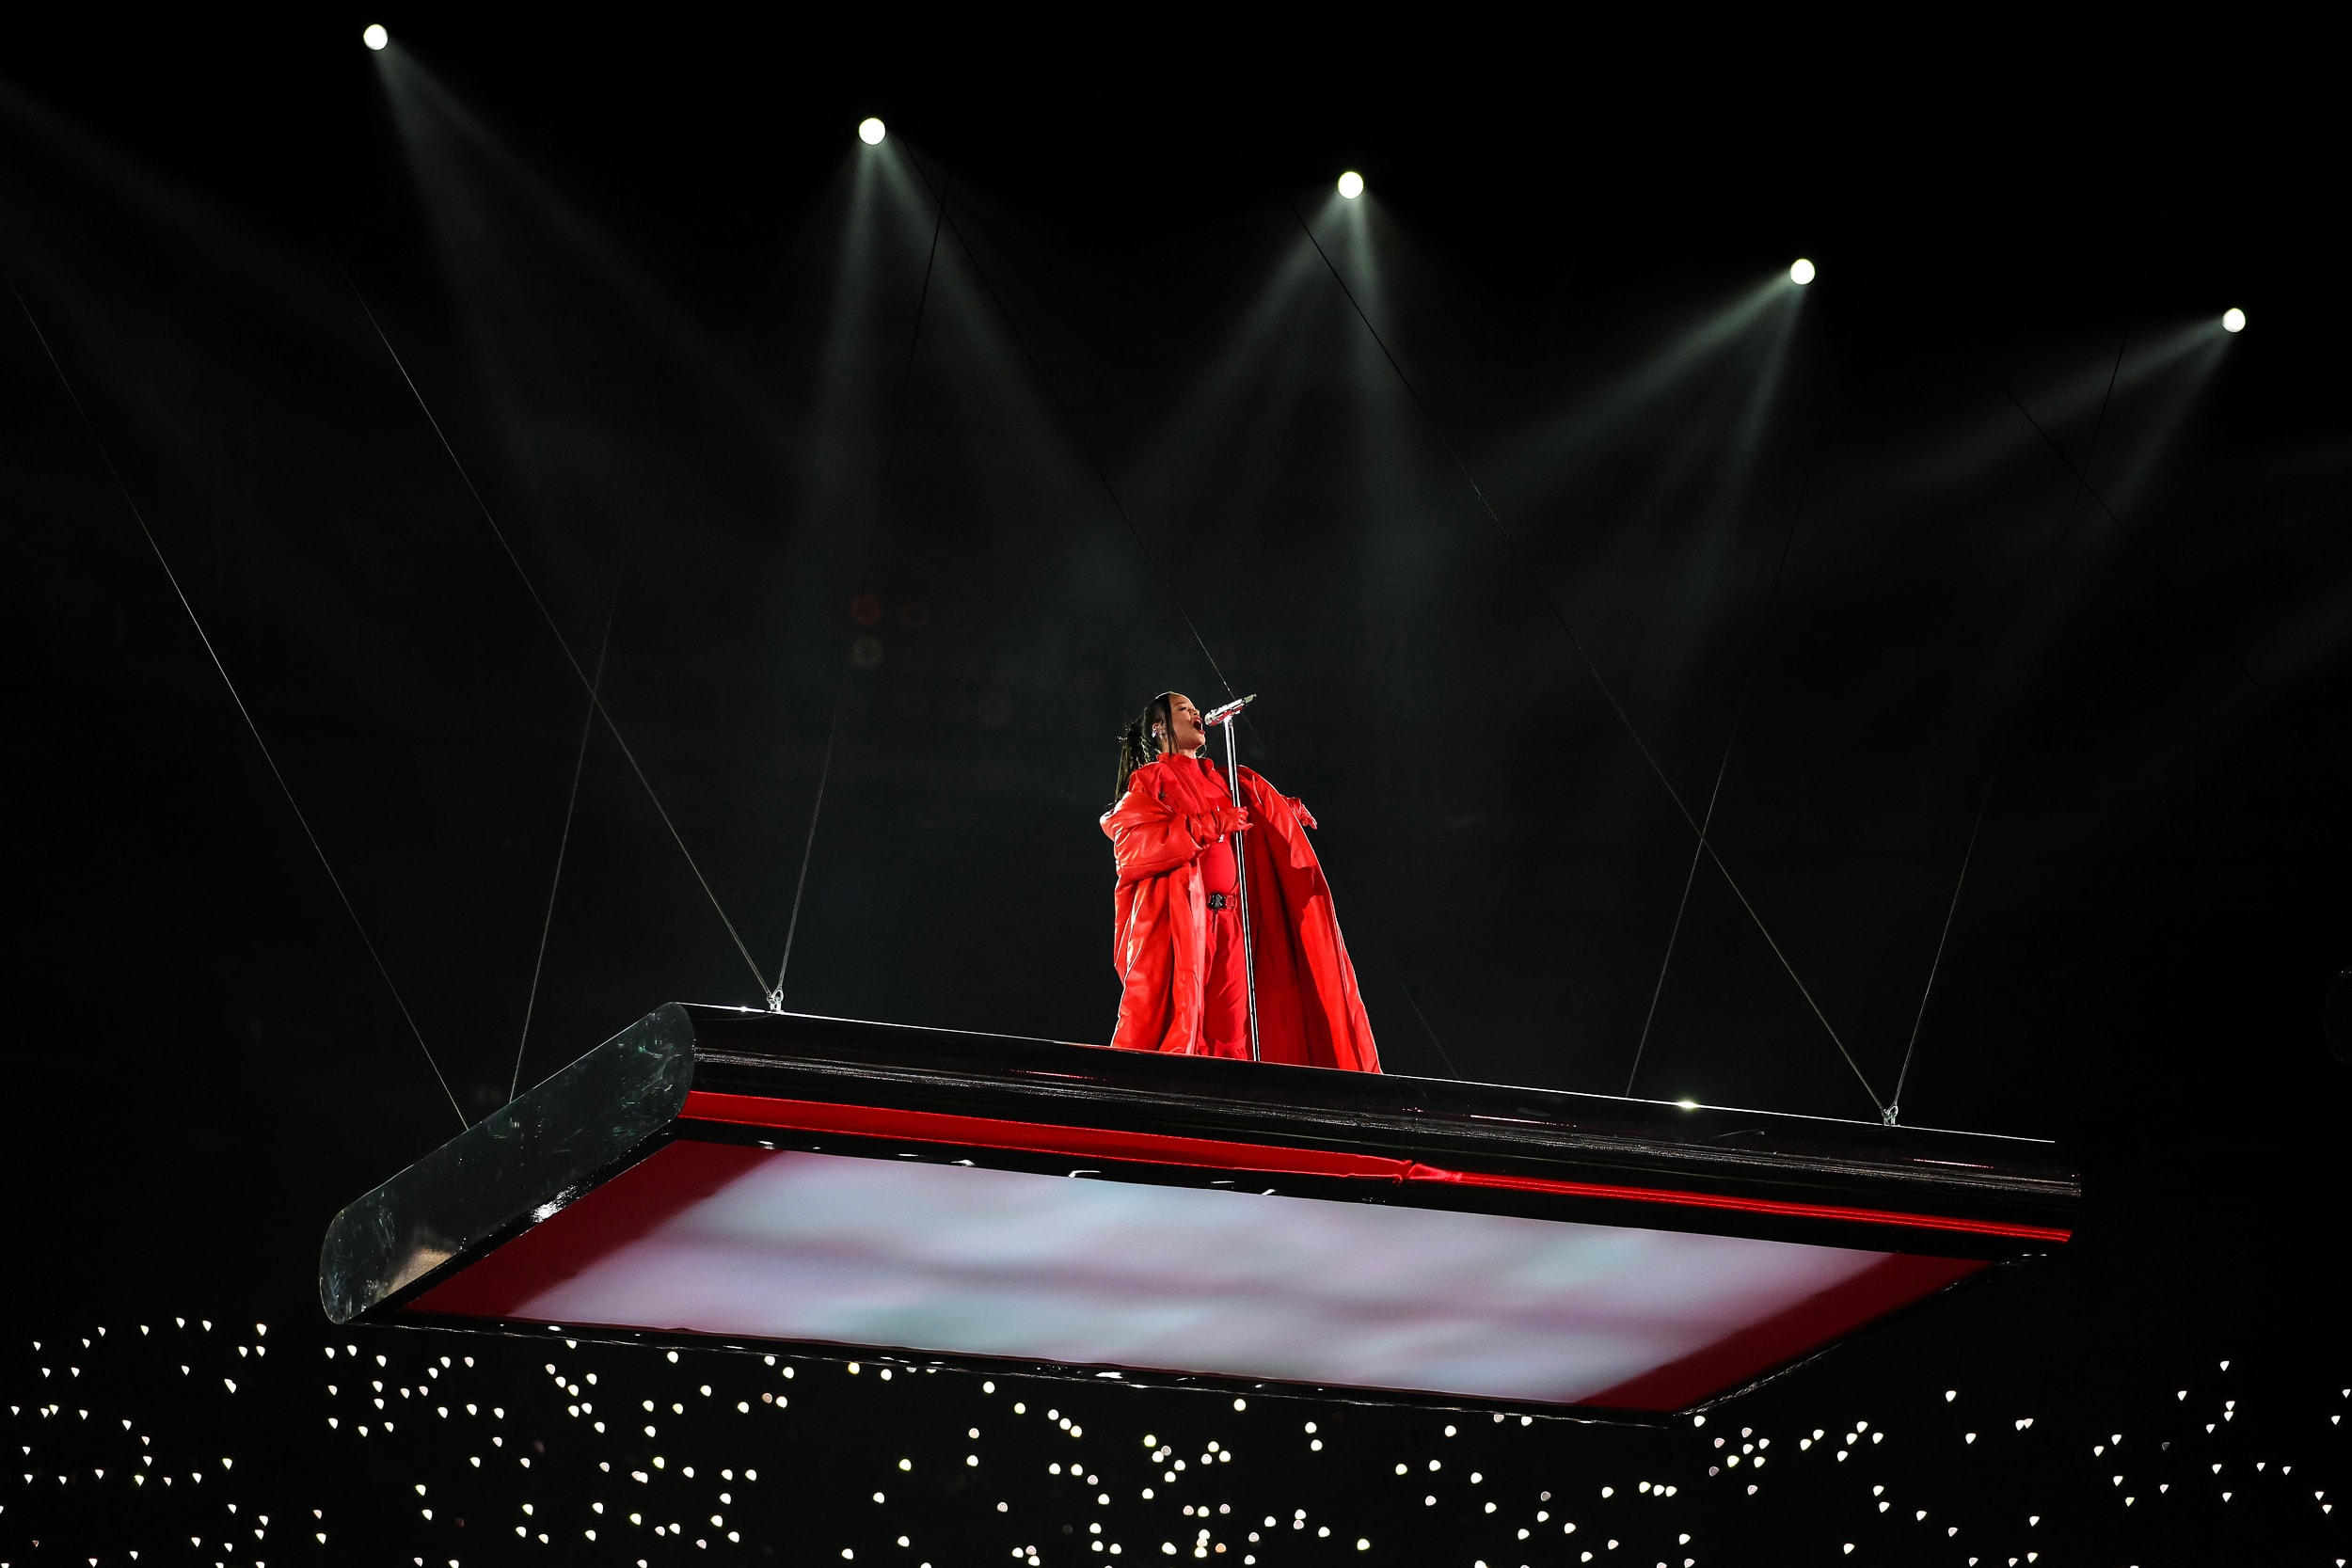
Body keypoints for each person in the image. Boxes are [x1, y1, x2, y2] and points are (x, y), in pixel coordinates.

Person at [1101, 690, 1380, 1071]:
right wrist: (1211, 824)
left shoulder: (1228, 778)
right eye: (1184, 709)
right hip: (1188, 924)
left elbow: (1255, 808)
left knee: (1232, 1022)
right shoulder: (1152, 780)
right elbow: (1135, 845)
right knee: (1188, 1014)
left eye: (1195, 708)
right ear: (1159, 728)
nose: (1195, 713)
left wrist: (1282, 812)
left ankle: (1228, 1101)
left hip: (1234, 920)